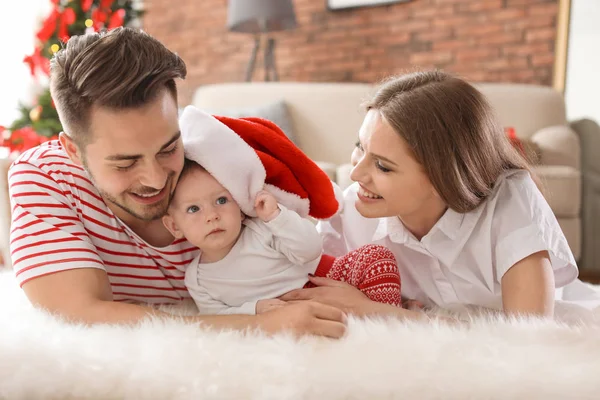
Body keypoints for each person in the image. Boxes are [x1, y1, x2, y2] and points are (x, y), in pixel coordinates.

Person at [8, 27, 347, 338]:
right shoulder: (44, 178)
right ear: (72, 151)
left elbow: (307, 240)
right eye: (125, 163)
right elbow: (77, 315)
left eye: (169, 148)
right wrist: (256, 325)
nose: (156, 180)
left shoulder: (217, 163)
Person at [281, 70, 580, 320]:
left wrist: (382, 313)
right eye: (359, 146)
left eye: (383, 166)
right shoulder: (348, 210)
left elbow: (527, 339)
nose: (356, 174)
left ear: (443, 176)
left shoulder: (510, 202)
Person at [162, 107, 401, 315]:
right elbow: (217, 316)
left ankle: (385, 313)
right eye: (194, 208)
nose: (212, 215)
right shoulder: (198, 279)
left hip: (322, 278)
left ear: (239, 204)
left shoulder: (261, 229)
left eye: (222, 201)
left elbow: (310, 250)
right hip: (286, 311)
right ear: (174, 226)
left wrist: (277, 218)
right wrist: (254, 309)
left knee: (377, 259)